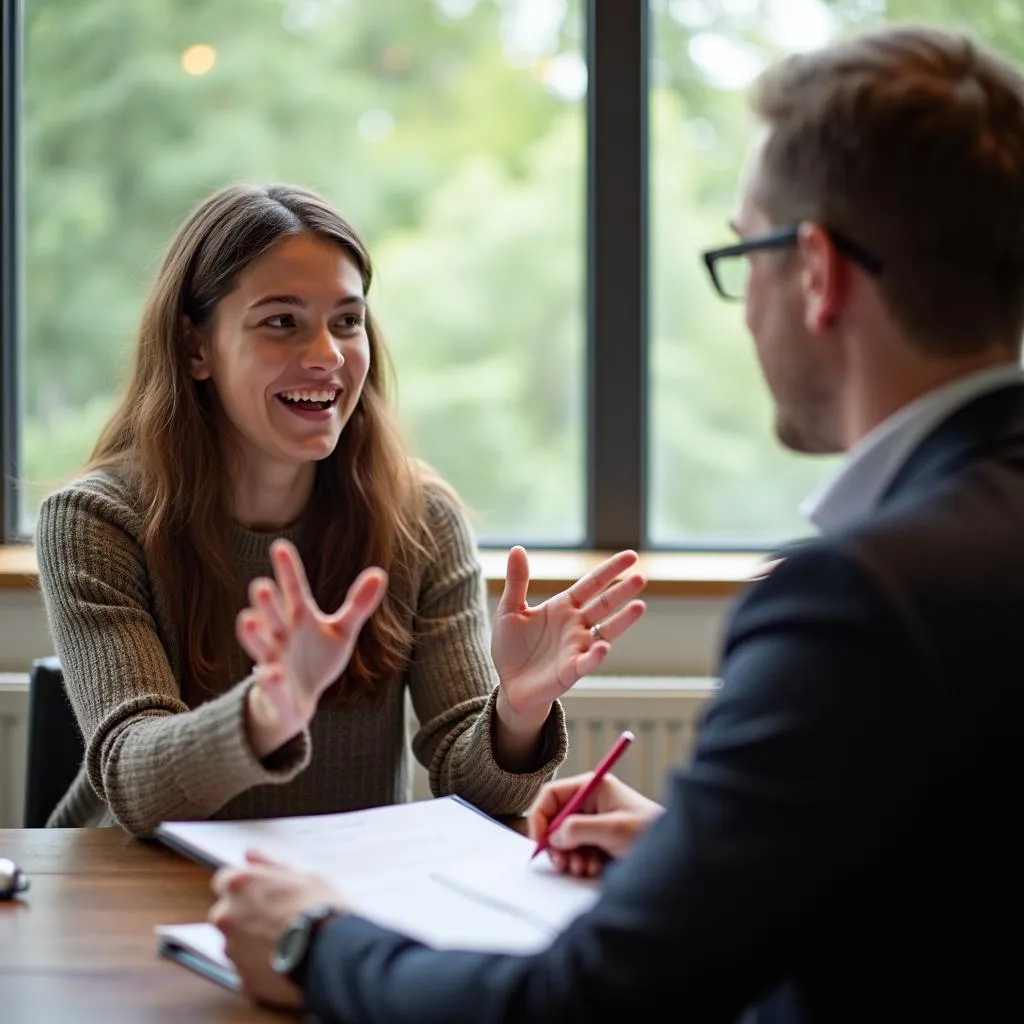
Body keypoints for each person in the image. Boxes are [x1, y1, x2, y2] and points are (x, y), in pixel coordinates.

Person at [209, 23, 1024, 1023]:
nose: (744, 304)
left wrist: (313, 942)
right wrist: (702, 851)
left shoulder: (861, 601)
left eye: (744, 251)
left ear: (815, 271)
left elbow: (581, 1004)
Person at [34, 182, 648, 837]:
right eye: (281, 321)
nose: (327, 355)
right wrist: (271, 710)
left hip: (332, 909)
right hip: (126, 897)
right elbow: (135, 784)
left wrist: (517, 712)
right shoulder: (95, 521)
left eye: (347, 321)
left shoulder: (420, 519)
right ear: (195, 347)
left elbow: (474, 792)